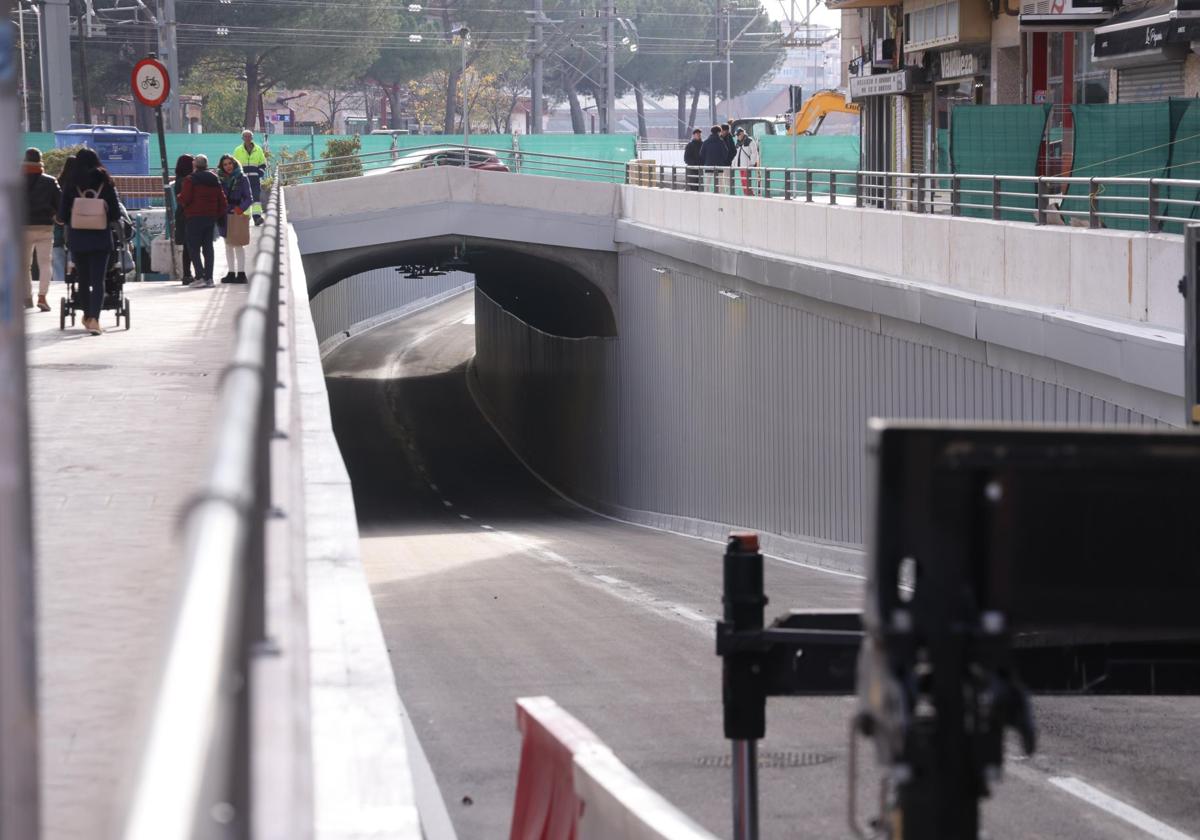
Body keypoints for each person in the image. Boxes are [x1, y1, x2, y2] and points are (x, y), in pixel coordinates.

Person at [58, 148, 121, 335]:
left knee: (83, 280)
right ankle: (95, 318)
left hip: (78, 238)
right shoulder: (106, 182)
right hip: (101, 238)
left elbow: (62, 213)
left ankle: (86, 316)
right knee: (98, 279)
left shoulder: (71, 183)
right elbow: (116, 213)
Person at [177, 154, 227, 288]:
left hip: (194, 217)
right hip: (210, 217)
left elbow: (185, 199)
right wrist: (218, 215)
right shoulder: (214, 179)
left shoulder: (190, 179)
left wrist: (179, 197)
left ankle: (200, 276)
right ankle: (209, 278)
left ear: (194, 165)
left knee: (193, 248)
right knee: (208, 248)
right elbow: (222, 199)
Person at [23, 147, 62, 312]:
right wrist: (54, 215)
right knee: (45, 263)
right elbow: (60, 203)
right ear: (40, 161)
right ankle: (42, 297)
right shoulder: (50, 181)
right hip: (45, 227)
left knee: (24, 265)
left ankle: (26, 297)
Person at [216, 154, 253, 284]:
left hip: (236, 215)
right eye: (225, 164)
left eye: (230, 163)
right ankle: (231, 273)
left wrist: (239, 209)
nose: (228, 166)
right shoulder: (219, 179)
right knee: (228, 245)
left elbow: (249, 198)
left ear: (234, 163)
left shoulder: (242, 178)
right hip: (223, 216)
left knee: (238, 245)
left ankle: (241, 274)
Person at [232, 129, 267, 225]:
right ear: (242, 138)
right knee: (244, 198)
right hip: (242, 180)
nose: (247, 138)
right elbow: (234, 164)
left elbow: (263, 164)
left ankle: (257, 218)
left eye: (249, 136)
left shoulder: (258, 149)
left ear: (252, 138)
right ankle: (245, 218)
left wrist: (259, 173)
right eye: (245, 136)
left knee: (256, 198)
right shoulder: (237, 150)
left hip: (254, 179)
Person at [172, 154, 195, 285]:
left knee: (187, 245)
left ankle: (187, 273)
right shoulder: (186, 180)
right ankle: (188, 273)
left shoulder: (179, 179)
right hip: (187, 215)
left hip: (182, 215)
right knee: (190, 245)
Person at [733, 127, 760, 196]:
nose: (737, 136)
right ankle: (746, 194)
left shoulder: (750, 141)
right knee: (743, 181)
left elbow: (754, 152)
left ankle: (750, 194)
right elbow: (736, 154)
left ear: (742, 134)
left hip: (747, 165)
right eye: (736, 135)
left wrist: (752, 163)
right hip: (740, 165)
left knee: (747, 181)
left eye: (738, 135)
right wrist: (734, 164)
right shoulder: (738, 142)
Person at [700, 125, 727, 192]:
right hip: (719, 166)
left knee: (707, 185)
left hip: (708, 165)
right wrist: (722, 161)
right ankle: (722, 199)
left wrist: (707, 161)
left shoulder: (706, 142)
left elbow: (701, 154)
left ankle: (706, 198)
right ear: (718, 132)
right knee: (721, 185)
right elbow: (725, 153)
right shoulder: (721, 142)